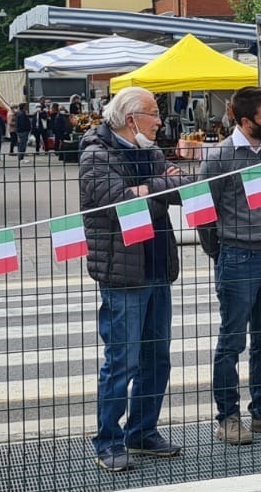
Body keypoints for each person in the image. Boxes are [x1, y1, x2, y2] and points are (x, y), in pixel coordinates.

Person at [79, 86, 193, 472]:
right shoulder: (97, 154)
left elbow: (180, 190)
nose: (160, 121)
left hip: (157, 266)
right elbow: (117, 205)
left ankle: (142, 431)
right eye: (154, 113)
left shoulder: (152, 152)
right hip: (124, 272)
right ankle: (108, 440)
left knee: (157, 358)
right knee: (121, 361)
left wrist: (148, 189)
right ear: (131, 119)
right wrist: (157, 188)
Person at [201, 85, 261, 445]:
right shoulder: (220, 157)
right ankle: (227, 416)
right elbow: (202, 214)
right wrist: (222, 253)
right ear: (245, 121)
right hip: (238, 255)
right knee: (232, 341)